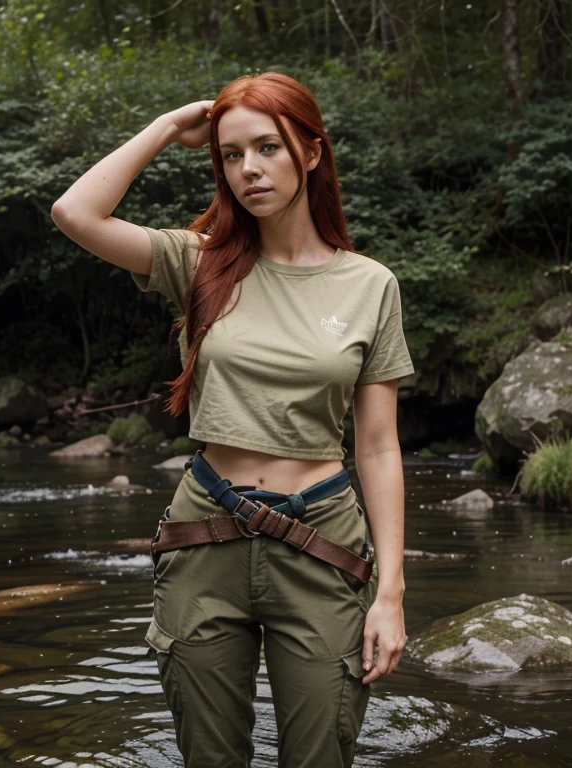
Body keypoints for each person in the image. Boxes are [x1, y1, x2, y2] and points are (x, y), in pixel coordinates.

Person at [51, 72, 414, 768]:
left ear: (310, 153)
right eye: (230, 154)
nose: (249, 168)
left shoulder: (371, 285)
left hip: (323, 543)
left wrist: (390, 594)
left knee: (320, 757)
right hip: (204, 535)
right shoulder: (198, 262)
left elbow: (377, 448)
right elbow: (76, 214)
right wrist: (164, 127)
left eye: (268, 147)